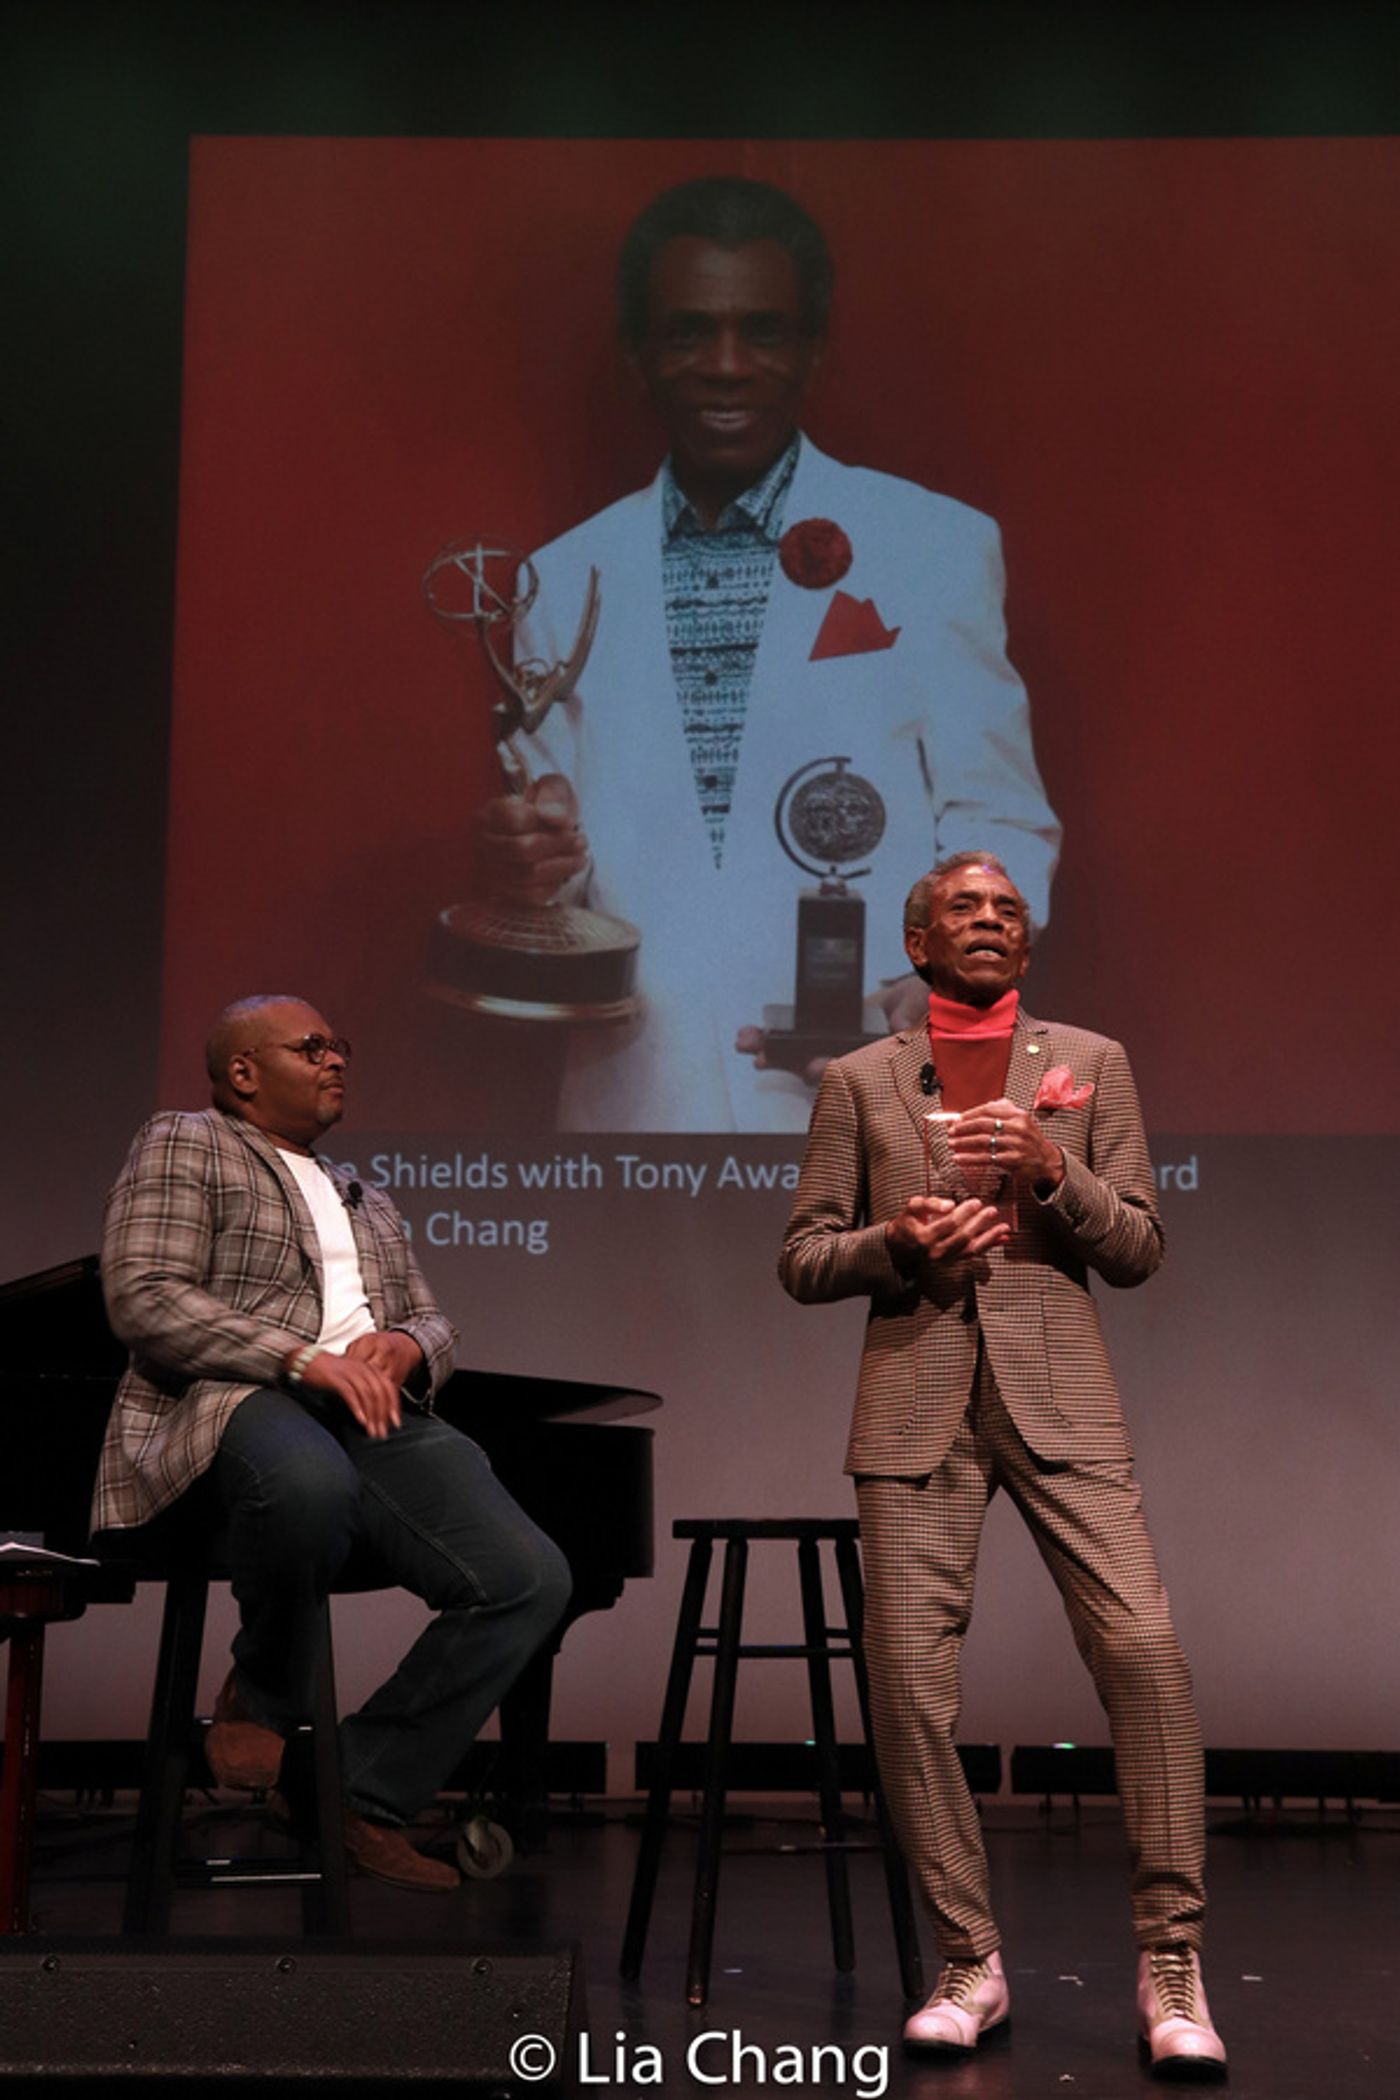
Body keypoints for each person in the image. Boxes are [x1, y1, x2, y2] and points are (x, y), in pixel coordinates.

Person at [477, 175, 1060, 1133]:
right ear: (638, 355)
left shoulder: (933, 547)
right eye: (688, 331)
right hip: (637, 1104)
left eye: (765, 330)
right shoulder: (559, 578)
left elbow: (998, 818)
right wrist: (527, 871)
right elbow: (570, 887)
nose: (726, 364)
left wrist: (953, 991)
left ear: (814, 349)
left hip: (881, 1090)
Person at [779, 855, 1226, 2078]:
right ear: (918, 942)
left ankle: (1170, 1959)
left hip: (1060, 1399)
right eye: (964, 911)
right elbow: (803, 1258)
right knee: (910, 1691)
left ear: (1025, 947)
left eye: (1007, 912)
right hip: (913, 1402)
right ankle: (964, 1958)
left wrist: (1050, 1171)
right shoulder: (860, 1081)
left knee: (1141, 1651)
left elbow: (1136, 1246)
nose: (988, 923)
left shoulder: (1092, 1061)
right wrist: (895, 1241)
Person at [92, 995, 571, 1890]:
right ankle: (263, 1693)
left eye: (338, 1046)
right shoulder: (185, 1141)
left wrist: (409, 1346)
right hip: (237, 1396)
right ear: (242, 1073)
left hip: (376, 1417)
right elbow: (145, 1295)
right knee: (307, 1484)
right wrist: (301, 1359)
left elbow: (429, 1316)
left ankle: (353, 1795)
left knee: (526, 1579)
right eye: (310, 1047)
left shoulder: (364, 1193)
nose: (335, 1061)